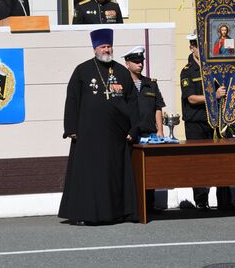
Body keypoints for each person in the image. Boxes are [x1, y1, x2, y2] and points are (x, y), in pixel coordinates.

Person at [59, 28, 140, 225]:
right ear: (95, 48)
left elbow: (133, 102)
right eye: (103, 46)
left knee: (113, 176)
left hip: (115, 136)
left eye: (109, 46)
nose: (106, 49)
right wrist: (71, 128)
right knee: (89, 177)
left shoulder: (121, 71)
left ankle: (116, 213)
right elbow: (72, 100)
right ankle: (84, 214)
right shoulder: (82, 70)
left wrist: (133, 129)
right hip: (88, 134)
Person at [180, 30, 234, 211]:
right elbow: (191, 99)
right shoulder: (187, 71)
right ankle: (201, 200)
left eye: (203, 45)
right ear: (191, 47)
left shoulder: (215, 67)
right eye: (197, 45)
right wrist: (213, 96)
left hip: (216, 121)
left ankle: (224, 200)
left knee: (220, 160)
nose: (200, 49)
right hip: (196, 122)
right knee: (198, 162)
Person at [123, 45, 165, 213]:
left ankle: (149, 205)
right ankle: (133, 206)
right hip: (131, 135)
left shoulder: (150, 84)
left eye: (141, 61)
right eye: (136, 61)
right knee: (132, 172)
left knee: (149, 172)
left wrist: (160, 130)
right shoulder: (122, 85)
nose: (140, 64)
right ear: (127, 63)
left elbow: (158, 108)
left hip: (149, 133)